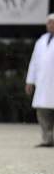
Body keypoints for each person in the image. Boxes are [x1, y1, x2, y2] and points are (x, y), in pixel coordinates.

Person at [25, 13, 54, 147]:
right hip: (42, 83)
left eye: (53, 22)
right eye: (49, 23)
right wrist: (30, 81)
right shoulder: (41, 40)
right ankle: (47, 139)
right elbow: (34, 62)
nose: (50, 25)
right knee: (43, 113)